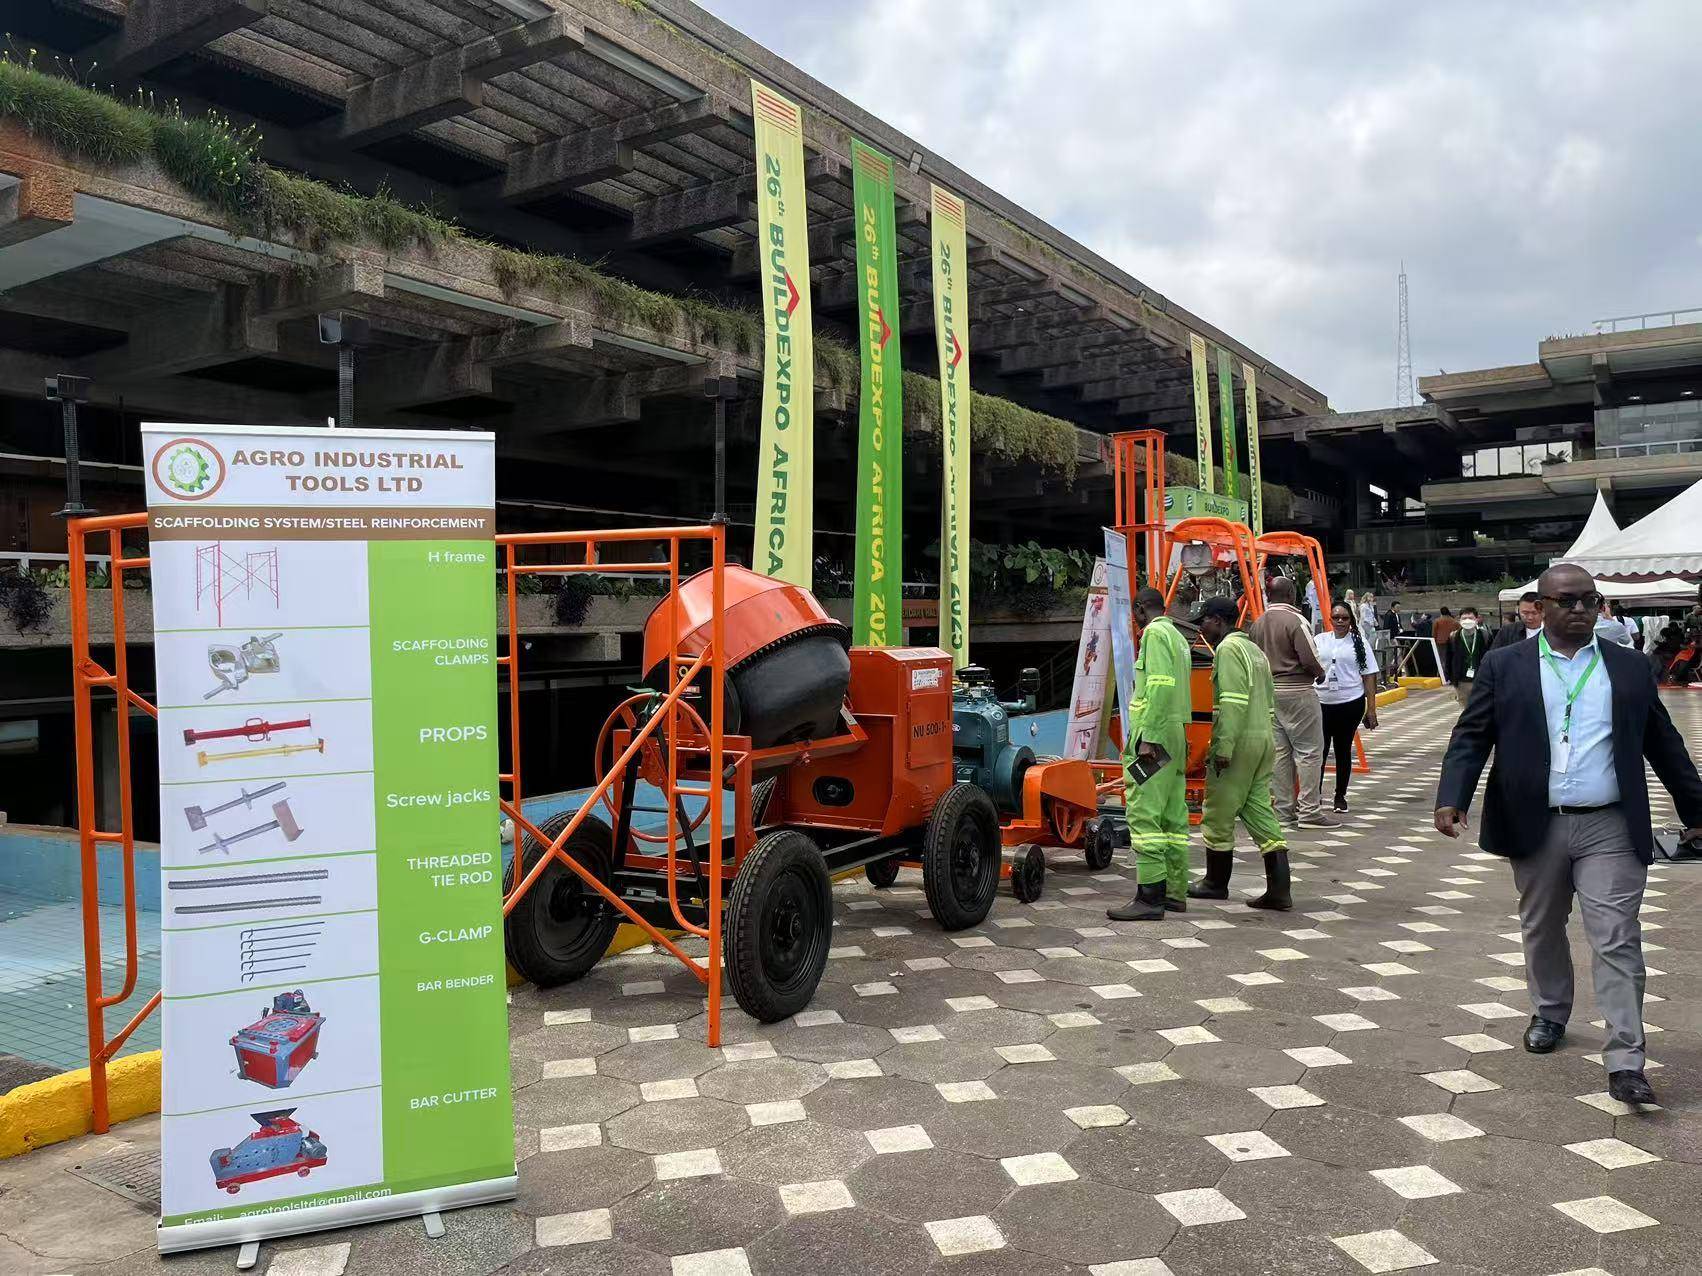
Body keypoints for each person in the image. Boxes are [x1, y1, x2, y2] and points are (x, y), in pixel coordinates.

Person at [1435, 563, 1702, 1107]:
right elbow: (1472, 735)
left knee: (1617, 936)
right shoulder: (1505, 664)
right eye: (1567, 600)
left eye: (1589, 600)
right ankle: (1550, 1012)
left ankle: (1626, 1060)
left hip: (1611, 823)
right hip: (1535, 821)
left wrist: (1696, 807)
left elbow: (1663, 741)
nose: (1580, 609)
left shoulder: (1629, 666)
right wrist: (1452, 796)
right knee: (1542, 926)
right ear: (1541, 607)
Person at [1189, 597, 1291, 909]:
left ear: (1218, 620)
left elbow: (1231, 703)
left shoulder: (1228, 649)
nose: (1201, 628)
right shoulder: (1255, 651)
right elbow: (1269, 700)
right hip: (1263, 740)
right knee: (1259, 810)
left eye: (1204, 621)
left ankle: (1215, 883)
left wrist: (1223, 748)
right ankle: (1280, 890)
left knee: (1218, 811)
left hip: (1239, 743)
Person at [1109, 587, 1193, 921]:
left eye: (1135, 614)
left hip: (1154, 735)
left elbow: (1158, 686)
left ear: (1140, 609)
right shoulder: (1178, 637)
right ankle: (1174, 892)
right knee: (1172, 816)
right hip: (1175, 734)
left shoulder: (1155, 635)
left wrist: (1149, 738)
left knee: (1145, 814)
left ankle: (1150, 898)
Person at [1248, 577, 1338, 828]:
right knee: (1309, 753)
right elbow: (1309, 657)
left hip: (1269, 693)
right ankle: (1310, 811)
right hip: (1298, 691)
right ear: (1290, 594)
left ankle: (1283, 812)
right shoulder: (1296, 620)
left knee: (1280, 754)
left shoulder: (1257, 623)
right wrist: (1320, 673)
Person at [1314, 602, 1380, 811]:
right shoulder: (1320, 640)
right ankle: (1314, 795)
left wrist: (1371, 709)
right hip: (1321, 703)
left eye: (1345, 618)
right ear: (1330, 619)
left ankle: (1340, 796)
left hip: (1350, 702)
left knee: (1343, 750)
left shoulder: (1359, 643)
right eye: (1336, 617)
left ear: (1351, 619)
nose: (1340, 621)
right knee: (1319, 751)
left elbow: (1369, 675)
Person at [1444, 606, 1490, 705]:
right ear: (1459, 620)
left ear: (1476, 620)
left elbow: (1491, 656)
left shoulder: (1484, 636)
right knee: (1465, 708)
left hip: (1481, 679)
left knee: (1480, 706)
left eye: (1470, 618)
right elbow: (1449, 658)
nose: (1467, 621)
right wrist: (1449, 677)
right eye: (1464, 618)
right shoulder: (1453, 637)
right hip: (1461, 680)